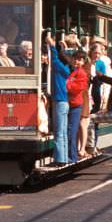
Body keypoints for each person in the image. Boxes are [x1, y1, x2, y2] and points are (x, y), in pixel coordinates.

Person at [47, 34, 70, 166]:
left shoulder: (58, 66)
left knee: (58, 132)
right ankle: (64, 157)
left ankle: (60, 159)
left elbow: (54, 57)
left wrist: (51, 43)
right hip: (65, 102)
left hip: (59, 101)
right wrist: (64, 48)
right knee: (63, 131)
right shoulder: (66, 68)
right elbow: (60, 56)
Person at [65, 50, 89, 164]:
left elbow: (76, 88)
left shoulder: (81, 73)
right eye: (75, 59)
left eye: (79, 59)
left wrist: (67, 84)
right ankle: (70, 156)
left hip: (75, 105)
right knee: (70, 130)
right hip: (71, 104)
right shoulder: (74, 72)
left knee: (71, 131)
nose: (76, 61)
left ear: (83, 62)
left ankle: (72, 157)